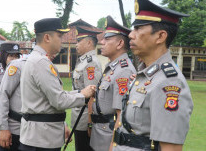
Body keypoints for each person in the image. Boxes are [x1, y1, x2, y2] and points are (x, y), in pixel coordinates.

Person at [113, 0, 194, 151]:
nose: (130, 34)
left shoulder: (169, 82)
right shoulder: (144, 76)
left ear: (160, 36)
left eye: (138, 28)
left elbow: (170, 147)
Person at [19, 18, 96, 151]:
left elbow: (53, 96)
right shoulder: (41, 62)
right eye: (59, 36)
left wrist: (79, 92)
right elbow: (59, 101)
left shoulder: (36, 59)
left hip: (41, 136)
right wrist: (83, 96)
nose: (62, 40)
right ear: (47, 37)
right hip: (41, 140)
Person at [89, 16, 136, 151]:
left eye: (107, 39)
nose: (102, 42)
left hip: (108, 138)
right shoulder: (112, 67)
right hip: (101, 134)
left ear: (120, 43)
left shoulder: (124, 70)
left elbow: (120, 114)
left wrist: (113, 145)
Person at [71, 26, 102, 151]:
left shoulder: (91, 63)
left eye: (79, 41)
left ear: (89, 42)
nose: (76, 44)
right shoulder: (83, 61)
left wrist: (90, 122)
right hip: (79, 116)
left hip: (84, 119)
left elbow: (92, 94)